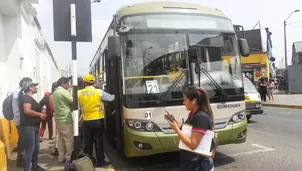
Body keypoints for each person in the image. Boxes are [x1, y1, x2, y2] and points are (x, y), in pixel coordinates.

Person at [166, 86, 214, 171]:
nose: (183, 102)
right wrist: (175, 123)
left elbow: (193, 145)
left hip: (199, 165)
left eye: (185, 100)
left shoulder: (201, 118)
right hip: (191, 163)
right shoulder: (193, 114)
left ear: (194, 101)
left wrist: (177, 130)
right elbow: (188, 131)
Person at [78, 74, 115, 167]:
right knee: (98, 141)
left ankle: (89, 162)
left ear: (85, 82)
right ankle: (100, 161)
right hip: (98, 120)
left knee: (88, 141)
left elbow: (76, 106)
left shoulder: (79, 93)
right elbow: (111, 98)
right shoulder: (99, 92)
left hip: (86, 121)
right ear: (93, 82)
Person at [18, 81, 46, 171]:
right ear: (30, 88)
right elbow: (27, 110)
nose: (36, 87)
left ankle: (34, 166)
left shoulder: (30, 98)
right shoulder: (26, 98)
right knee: (30, 149)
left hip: (34, 126)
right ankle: (27, 168)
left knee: (36, 148)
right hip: (28, 126)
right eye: (34, 86)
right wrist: (39, 115)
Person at [50, 77, 73, 166]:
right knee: (68, 140)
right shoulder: (63, 92)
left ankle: (61, 157)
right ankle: (68, 158)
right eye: (68, 83)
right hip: (66, 119)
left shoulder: (54, 93)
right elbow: (73, 101)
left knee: (60, 139)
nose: (69, 85)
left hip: (58, 119)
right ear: (63, 83)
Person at [12, 77, 33, 167]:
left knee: (22, 141)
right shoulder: (20, 93)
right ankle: (21, 160)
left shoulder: (17, 91)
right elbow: (24, 109)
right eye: (30, 84)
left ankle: (21, 159)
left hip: (19, 120)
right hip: (22, 121)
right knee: (23, 141)